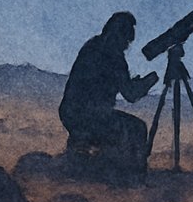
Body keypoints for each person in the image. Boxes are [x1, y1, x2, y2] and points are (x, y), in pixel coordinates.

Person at [59, 12, 159, 177]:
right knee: (138, 128)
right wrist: (149, 81)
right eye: (127, 41)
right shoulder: (115, 57)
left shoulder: (91, 46)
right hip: (93, 117)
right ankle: (135, 178)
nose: (127, 46)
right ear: (121, 36)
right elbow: (131, 95)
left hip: (69, 113)